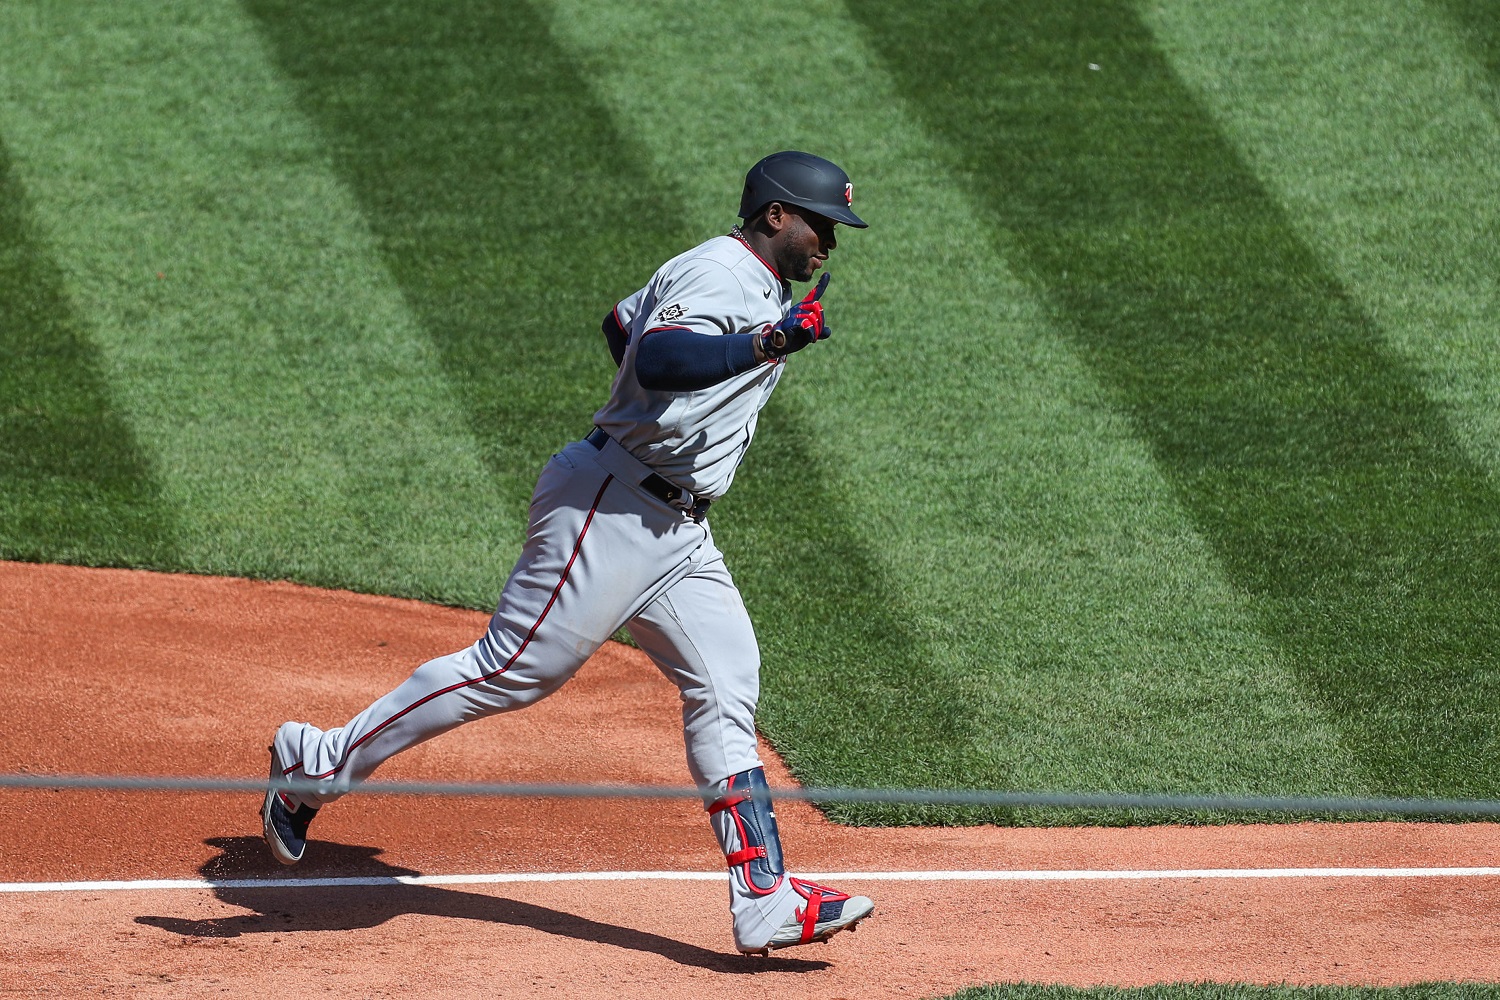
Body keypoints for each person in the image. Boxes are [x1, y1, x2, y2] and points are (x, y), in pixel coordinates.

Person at [261, 150, 875, 956]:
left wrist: (712, 367)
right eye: (820, 223)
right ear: (773, 216)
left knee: (728, 684)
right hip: (613, 505)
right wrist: (761, 343)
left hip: (678, 531)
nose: (829, 240)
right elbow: (654, 355)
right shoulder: (724, 276)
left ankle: (762, 897)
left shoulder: (747, 281)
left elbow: (622, 325)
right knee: (511, 670)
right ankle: (315, 763)